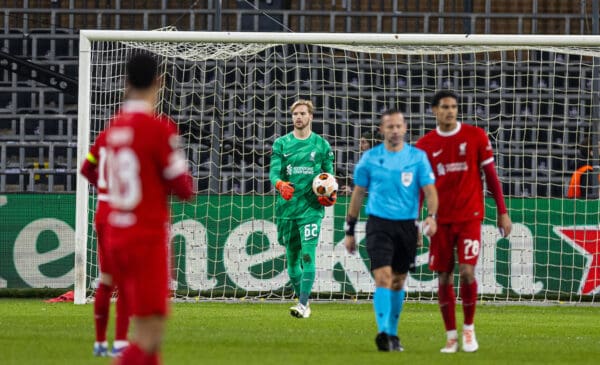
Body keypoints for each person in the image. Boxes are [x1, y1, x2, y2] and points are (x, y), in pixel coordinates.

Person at [104, 52, 194, 365]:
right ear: (160, 82)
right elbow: (184, 188)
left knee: (145, 336)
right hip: (146, 238)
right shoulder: (160, 129)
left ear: (126, 82)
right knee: (149, 336)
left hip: (117, 236)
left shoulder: (114, 128)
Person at [416, 90, 512, 353]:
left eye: (454, 107)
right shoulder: (424, 145)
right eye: (445, 107)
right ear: (434, 110)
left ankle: (468, 330)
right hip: (440, 220)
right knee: (444, 277)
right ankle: (451, 336)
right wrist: (417, 220)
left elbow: (491, 176)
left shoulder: (475, 136)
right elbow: (418, 188)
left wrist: (502, 211)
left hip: (470, 216)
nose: (450, 111)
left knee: (467, 271)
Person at [344, 109, 439, 352]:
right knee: (383, 278)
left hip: (406, 226)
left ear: (405, 129)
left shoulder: (417, 158)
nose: (395, 131)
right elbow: (357, 194)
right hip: (378, 225)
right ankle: (383, 332)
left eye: (399, 126)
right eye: (390, 127)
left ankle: (393, 334)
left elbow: (429, 191)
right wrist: (350, 229)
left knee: (398, 281)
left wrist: (431, 216)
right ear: (382, 130)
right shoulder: (370, 159)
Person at [269, 99, 336, 319]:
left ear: (311, 117)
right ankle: (303, 304)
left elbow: (329, 178)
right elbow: (274, 174)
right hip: (287, 209)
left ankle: (302, 303)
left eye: (302, 114)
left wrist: (330, 195)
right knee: (292, 262)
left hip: (311, 210)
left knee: (308, 256)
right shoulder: (281, 144)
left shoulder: (321, 145)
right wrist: (280, 185)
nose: (298, 117)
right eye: (295, 114)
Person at [80, 125, 130, 357]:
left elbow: (86, 168)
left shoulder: (104, 137)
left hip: (102, 211)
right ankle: (120, 342)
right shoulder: (137, 138)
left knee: (107, 278)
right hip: (123, 212)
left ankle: (100, 342)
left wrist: (101, 186)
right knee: (127, 279)